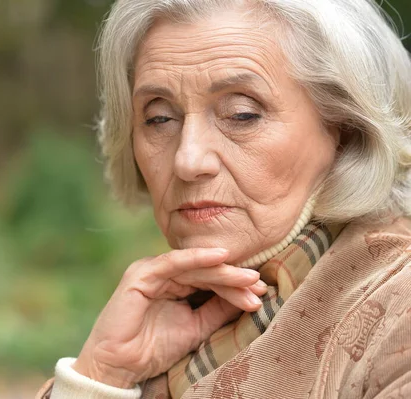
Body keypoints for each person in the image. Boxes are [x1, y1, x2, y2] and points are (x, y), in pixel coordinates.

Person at [37, 0, 411, 397]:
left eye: (241, 113)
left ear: (347, 129)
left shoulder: (397, 317)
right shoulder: (156, 322)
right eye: (159, 118)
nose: (188, 159)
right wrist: (101, 375)